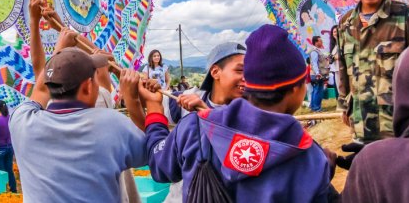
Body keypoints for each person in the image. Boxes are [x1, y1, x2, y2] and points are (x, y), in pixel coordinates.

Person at [140, 25, 331, 202]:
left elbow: (159, 167)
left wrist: (154, 109)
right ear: (297, 90)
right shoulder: (311, 157)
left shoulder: (194, 126)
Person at [9, 40, 147, 202]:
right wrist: (134, 102)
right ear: (88, 87)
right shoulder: (112, 124)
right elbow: (155, 152)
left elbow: (40, 90)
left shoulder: (22, 122)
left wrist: (58, 52)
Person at [338, 0, 409, 143]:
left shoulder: (405, 16)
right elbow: (342, 67)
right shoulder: (345, 24)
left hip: (396, 124)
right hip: (360, 122)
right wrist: (343, 105)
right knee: (368, 169)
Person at [341, 48, 409, 202]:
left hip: (388, 126)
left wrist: (373, 164)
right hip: (365, 126)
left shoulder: (371, 161)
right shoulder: (346, 26)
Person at [0, 100, 17, 193]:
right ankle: (13, 190)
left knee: (0, 172)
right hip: (9, 147)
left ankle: (2, 192)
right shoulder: (10, 118)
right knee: (9, 170)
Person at [309, 35, 330, 112]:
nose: (322, 42)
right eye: (320, 41)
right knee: (318, 90)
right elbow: (314, 63)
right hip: (317, 75)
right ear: (316, 42)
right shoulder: (314, 51)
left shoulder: (318, 51)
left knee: (315, 90)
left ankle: (313, 106)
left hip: (317, 74)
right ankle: (316, 108)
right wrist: (317, 73)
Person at [328, 25, 339, 99]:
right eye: (334, 32)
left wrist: (335, 57)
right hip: (335, 69)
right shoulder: (334, 45)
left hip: (342, 69)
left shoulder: (343, 42)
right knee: (338, 87)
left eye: (337, 31)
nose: (335, 33)